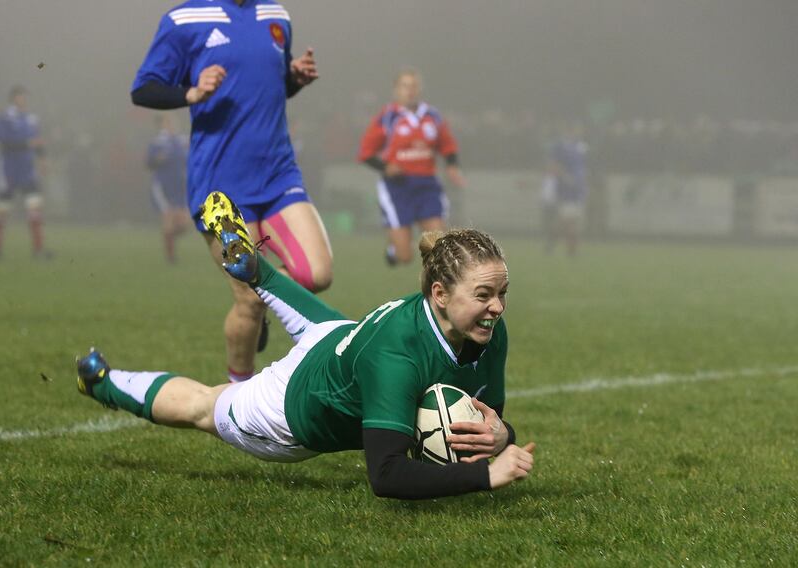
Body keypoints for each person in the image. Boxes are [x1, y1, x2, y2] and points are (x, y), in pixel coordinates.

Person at [76, 192, 535, 500]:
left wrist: (503, 434)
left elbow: (486, 417)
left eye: (502, 292)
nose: (497, 307)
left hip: (339, 337)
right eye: (483, 295)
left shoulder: (487, 330)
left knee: (322, 322)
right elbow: (387, 474)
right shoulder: (397, 355)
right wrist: (485, 475)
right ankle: (100, 381)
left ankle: (257, 270)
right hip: (296, 403)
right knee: (203, 405)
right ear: (439, 294)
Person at [131, 0, 333, 381]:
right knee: (248, 301)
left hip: (278, 173)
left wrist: (293, 78)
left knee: (318, 273)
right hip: (219, 186)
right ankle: (238, 393)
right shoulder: (184, 19)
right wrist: (190, 93)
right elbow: (144, 89)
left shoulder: (276, 15)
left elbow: (268, 85)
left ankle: (267, 297)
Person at [358, 68, 466, 267]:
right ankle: (394, 247)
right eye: (405, 86)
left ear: (420, 89)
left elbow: (447, 144)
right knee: (404, 256)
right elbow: (365, 152)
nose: (410, 90)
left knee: (439, 246)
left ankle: (435, 288)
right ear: (396, 90)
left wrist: (452, 166)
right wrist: (386, 167)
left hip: (427, 185)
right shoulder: (388, 117)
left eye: (414, 86)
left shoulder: (432, 116)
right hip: (397, 187)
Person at [0, 86, 50, 259]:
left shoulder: (31, 119)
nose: (23, 99)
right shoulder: (6, 118)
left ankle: (38, 250)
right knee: (2, 211)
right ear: (13, 98)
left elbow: (38, 142)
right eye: (20, 96)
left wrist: (42, 160)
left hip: (28, 171)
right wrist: (29, 144)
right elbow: (5, 144)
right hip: (10, 170)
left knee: (35, 208)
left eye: (25, 96)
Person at [146, 114, 191, 264]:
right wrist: (159, 158)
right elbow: (149, 163)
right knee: (168, 217)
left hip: (180, 187)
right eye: (168, 122)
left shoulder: (182, 141)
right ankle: (171, 258)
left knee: (184, 225)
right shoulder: (158, 143)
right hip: (163, 187)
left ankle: (168, 238)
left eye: (173, 121)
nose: (172, 124)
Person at [547, 121, 589, 256]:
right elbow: (553, 165)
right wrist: (565, 177)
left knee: (570, 221)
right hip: (566, 189)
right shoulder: (559, 146)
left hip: (578, 189)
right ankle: (571, 251)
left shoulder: (581, 146)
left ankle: (553, 245)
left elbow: (583, 166)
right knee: (568, 221)